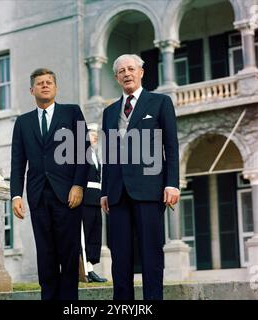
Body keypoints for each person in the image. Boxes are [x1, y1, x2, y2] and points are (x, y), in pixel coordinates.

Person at [101, 54, 180, 300]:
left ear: (141, 72)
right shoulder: (109, 111)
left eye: (131, 69)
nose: (127, 73)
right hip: (117, 192)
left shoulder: (160, 102)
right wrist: (104, 190)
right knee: (120, 257)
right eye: (121, 70)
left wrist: (172, 183)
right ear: (116, 77)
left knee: (150, 253)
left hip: (150, 188)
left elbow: (171, 145)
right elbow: (108, 154)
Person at [10, 68, 90, 300]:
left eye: (49, 82)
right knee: (45, 255)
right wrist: (16, 195)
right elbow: (17, 161)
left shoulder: (72, 112)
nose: (45, 85)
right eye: (40, 83)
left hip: (67, 195)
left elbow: (83, 152)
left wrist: (78, 185)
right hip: (38, 196)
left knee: (68, 252)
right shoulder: (23, 122)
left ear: (55, 88)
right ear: (31, 89)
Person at [81, 123, 107, 283]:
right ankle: (86, 270)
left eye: (96, 133)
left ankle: (91, 267)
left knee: (94, 234)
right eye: (92, 133)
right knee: (84, 235)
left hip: (96, 199)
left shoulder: (94, 154)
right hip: (85, 199)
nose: (95, 136)